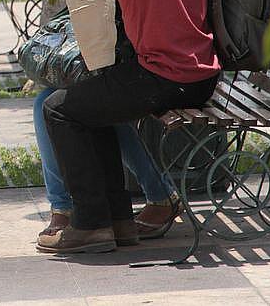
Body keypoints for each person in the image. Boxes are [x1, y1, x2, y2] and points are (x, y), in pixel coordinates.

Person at [30, 0, 221, 254]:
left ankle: (92, 223)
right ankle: (116, 221)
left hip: (165, 74)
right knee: (89, 103)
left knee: (59, 109)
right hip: (201, 71)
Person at [33, 86, 179, 240]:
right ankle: (67, 209)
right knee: (48, 100)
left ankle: (79, 213)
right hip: (138, 76)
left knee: (75, 104)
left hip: (160, 78)